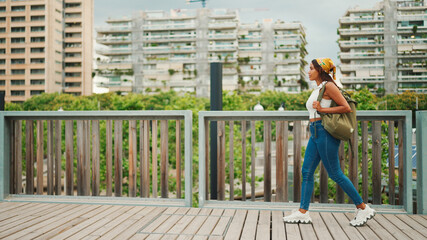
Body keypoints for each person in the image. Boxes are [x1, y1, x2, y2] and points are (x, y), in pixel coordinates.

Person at [283, 58, 375, 227]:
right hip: (315, 131)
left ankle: (362, 208)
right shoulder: (318, 88)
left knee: (334, 173)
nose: (308, 71)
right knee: (307, 171)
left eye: (311, 68)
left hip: (325, 132)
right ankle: (303, 212)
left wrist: (323, 109)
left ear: (321, 70)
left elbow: (346, 107)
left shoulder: (329, 86)